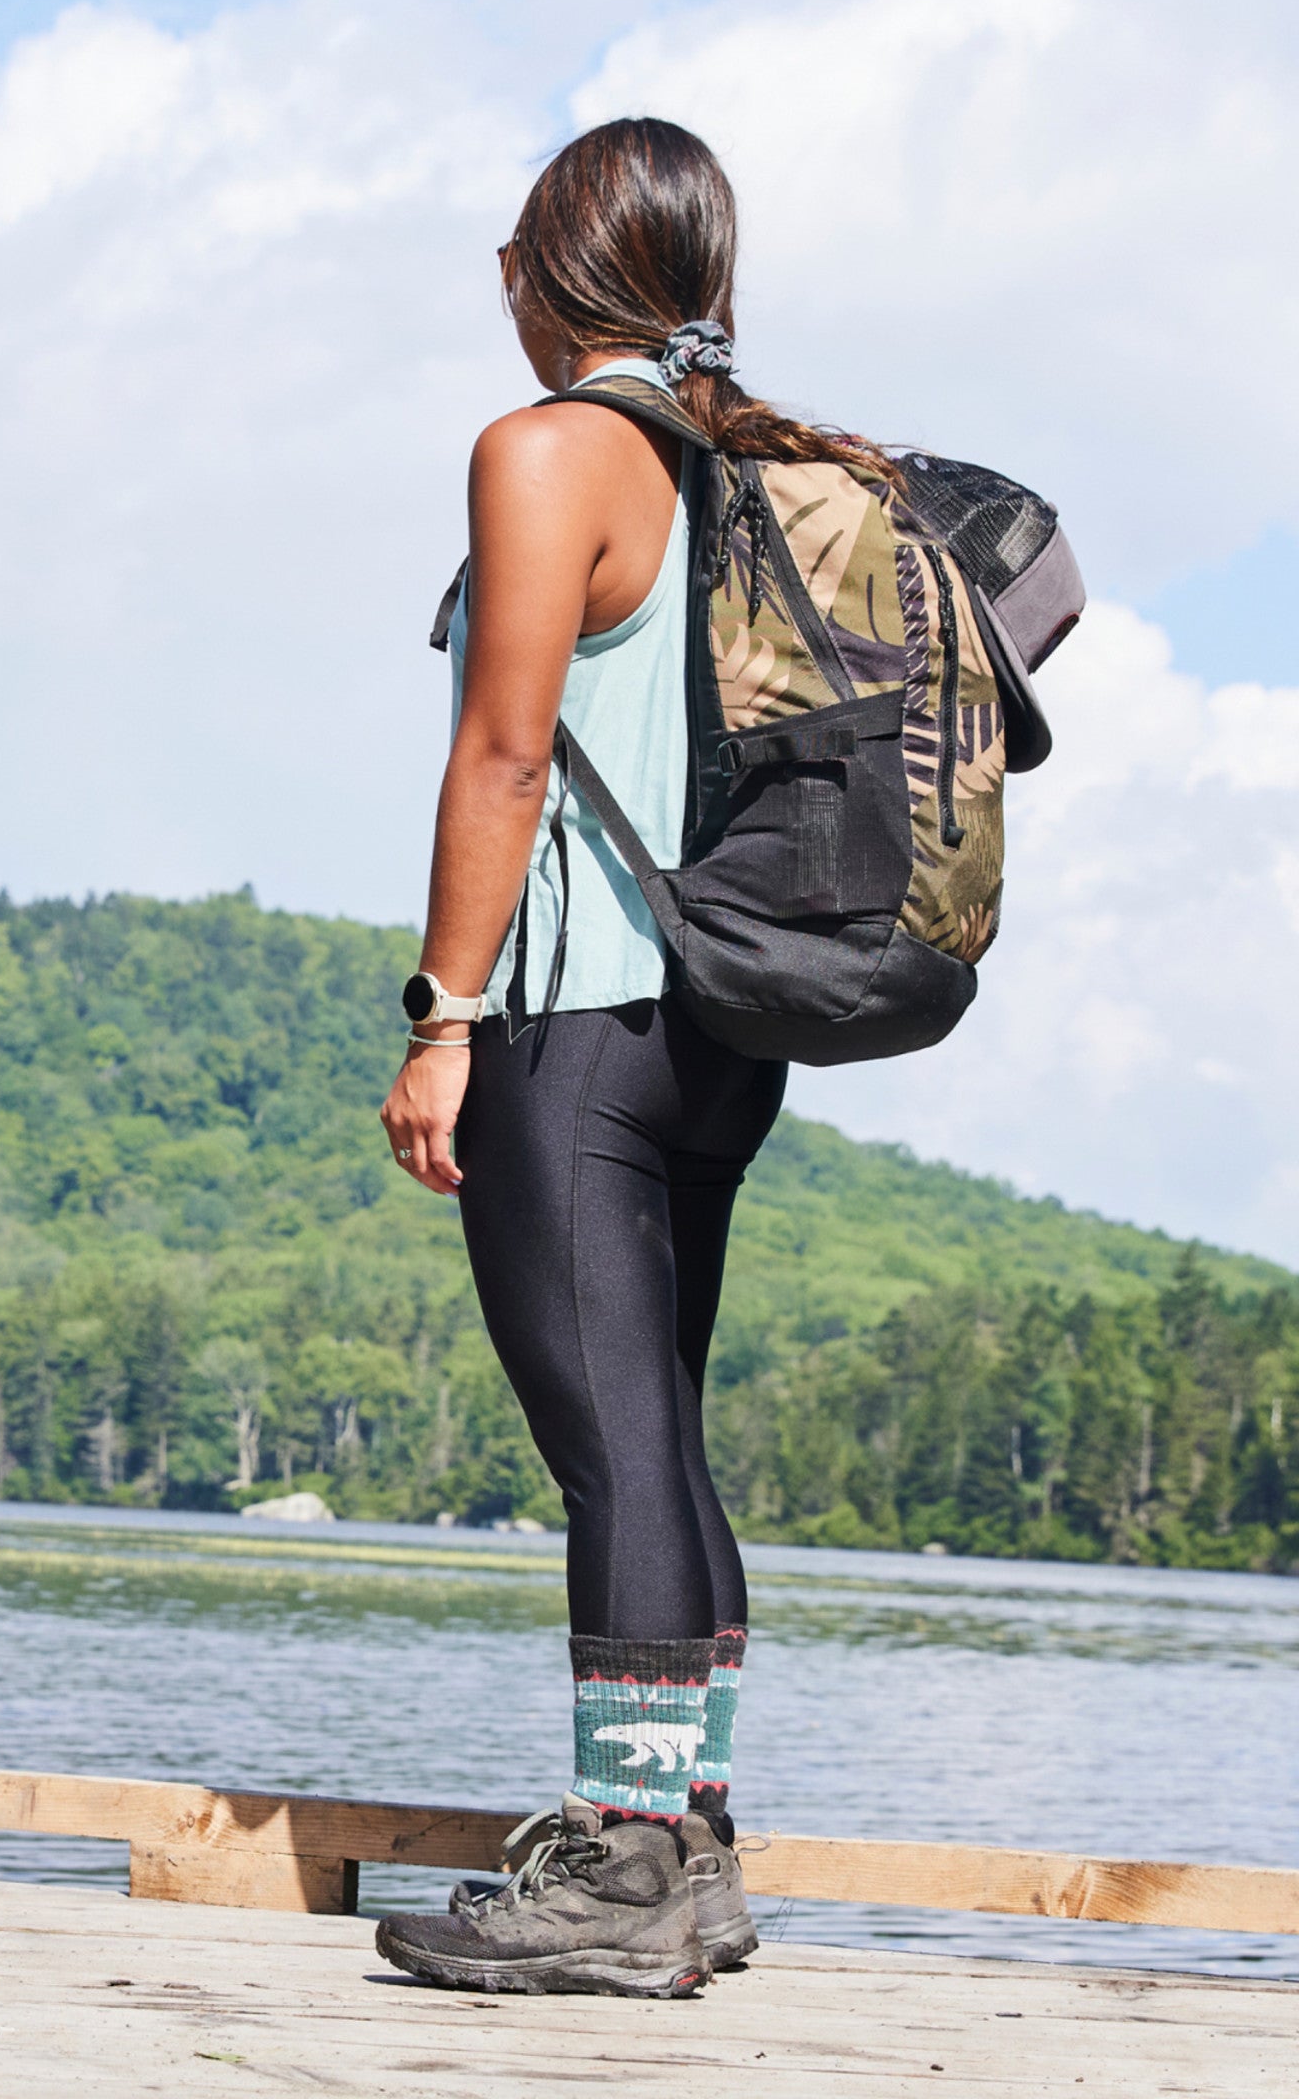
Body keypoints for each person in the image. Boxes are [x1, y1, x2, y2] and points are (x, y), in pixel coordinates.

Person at [371, 117, 891, 2001]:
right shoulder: (753, 467)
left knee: (613, 1456)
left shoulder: (547, 455)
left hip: (572, 1022)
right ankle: (699, 1856)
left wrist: (442, 1015)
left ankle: (625, 1868)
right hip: (720, 1037)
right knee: (655, 1433)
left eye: (510, 263)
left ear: (548, 271)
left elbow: (505, 758)